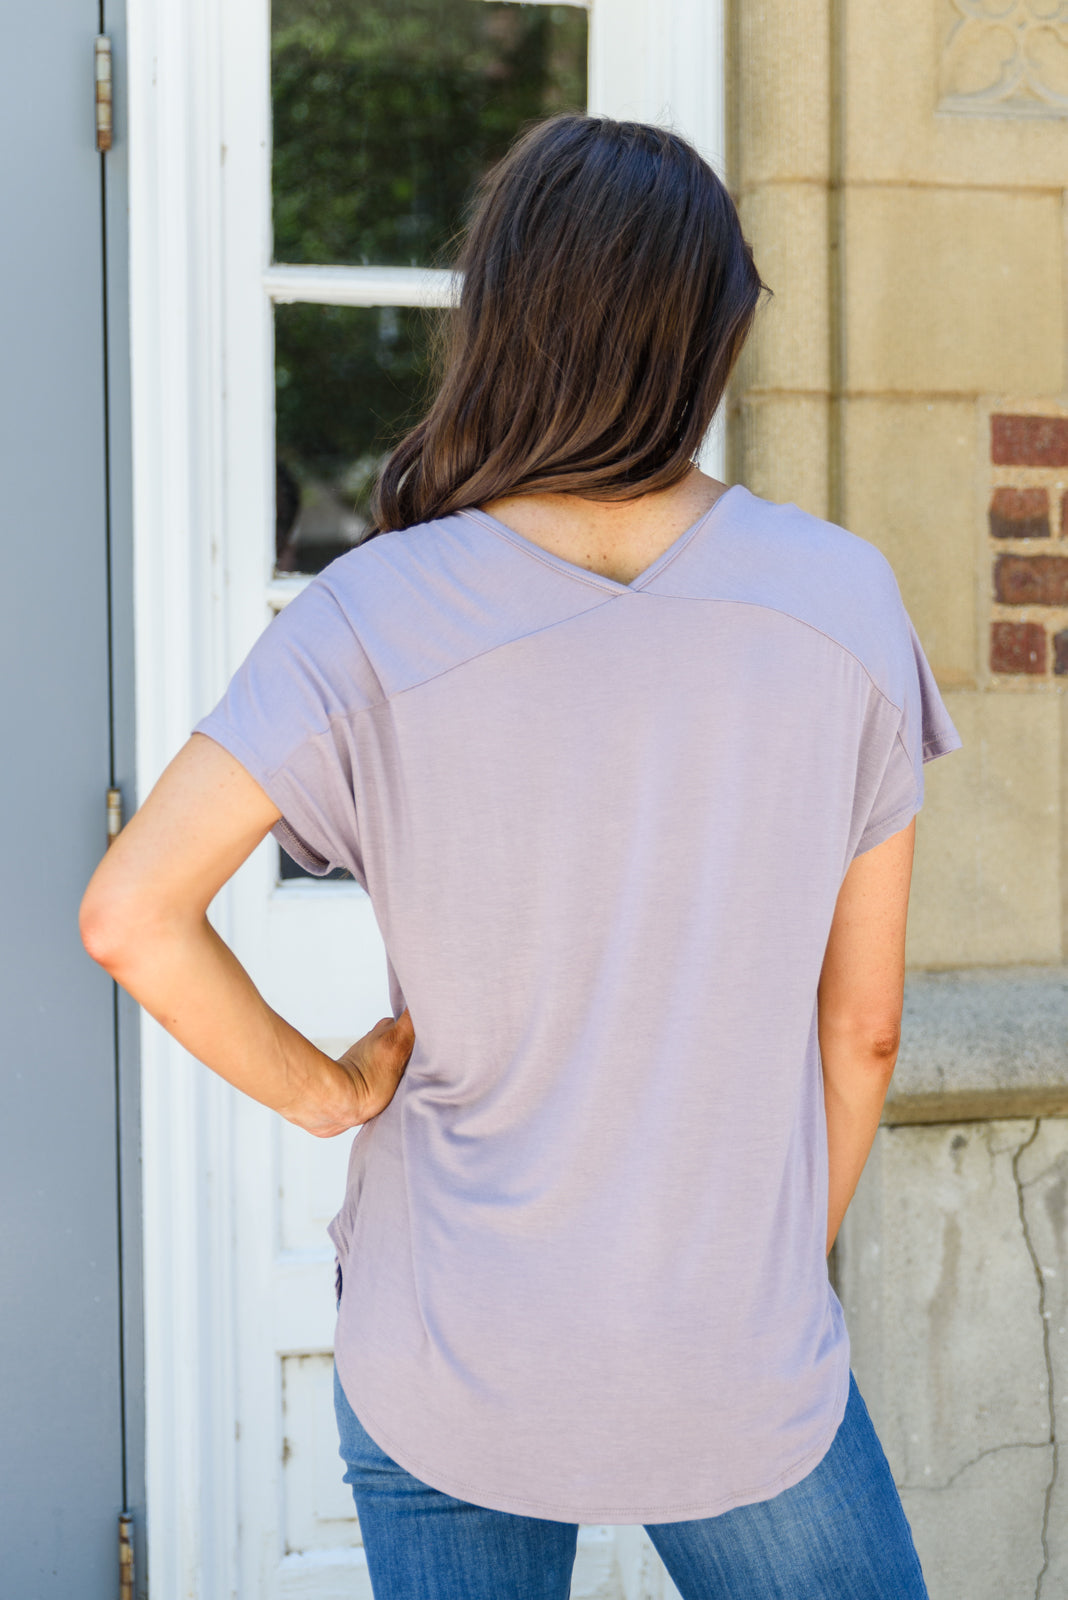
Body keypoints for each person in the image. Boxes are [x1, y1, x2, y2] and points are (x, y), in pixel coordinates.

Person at [80, 113, 962, 1599]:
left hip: (451, 1339)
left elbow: (131, 914)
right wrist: (758, 1279)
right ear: (707, 337)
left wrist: (331, 1089)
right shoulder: (845, 602)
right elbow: (861, 1034)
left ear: (500, 320)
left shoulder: (371, 612)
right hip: (732, 1352)